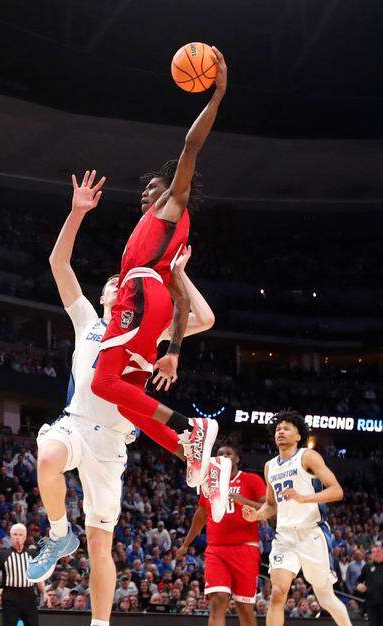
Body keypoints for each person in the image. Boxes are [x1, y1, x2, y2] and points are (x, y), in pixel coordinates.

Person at [28, 170, 217, 626]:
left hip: (112, 441)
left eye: (122, 281)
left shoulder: (146, 328)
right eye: (113, 283)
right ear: (105, 295)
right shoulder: (89, 320)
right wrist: (76, 213)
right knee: (47, 456)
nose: (118, 283)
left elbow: (205, 319)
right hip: (76, 424)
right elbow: (57, 263)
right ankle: (56, 533)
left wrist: (178, 273)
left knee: (101, 545)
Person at [88, 48, 230, 490]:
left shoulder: (171, 206)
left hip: (140, 293)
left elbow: (190, 145)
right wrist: (173, 352)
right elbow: (182, 297)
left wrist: (218, 93)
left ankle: (191, 428)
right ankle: (194, 459)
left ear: (169, 189)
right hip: (154, 300)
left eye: (151, 188)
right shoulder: (163, 235)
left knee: (102, 384)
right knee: (128, 403)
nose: (144, 195)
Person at [242, 411, 361, 626]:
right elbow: (270, 504)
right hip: (284, 536)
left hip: (311, 535)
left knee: (324, 596)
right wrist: (256, 516)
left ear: (298, 435)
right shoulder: (269, 467)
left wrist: (304, 498)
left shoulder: (307, 457)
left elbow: (337, 491)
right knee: (277, 593)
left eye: (286, 428)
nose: (281, 432)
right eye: (278, 428)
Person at [176, 444, 266, 626]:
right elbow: (200, 516)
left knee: (244, 608)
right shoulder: (210, 482)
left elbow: (268, 507)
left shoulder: (251, 479)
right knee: (217, 602)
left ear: (236, 459)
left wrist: (243, 500)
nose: (224, 456)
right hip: (216, 550)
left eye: (228, 453)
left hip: (245, 548)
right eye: (220, 454)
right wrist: (185, 544)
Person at [0, 525, 43, 626]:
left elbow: (38, 576)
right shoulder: (3, 554)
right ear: (10, 536)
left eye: (20, 535)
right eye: (14, 535)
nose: (17, 538)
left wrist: (44, 593)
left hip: (29, 595)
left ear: (25, 537)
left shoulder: (32, 554)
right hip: (10, 595)